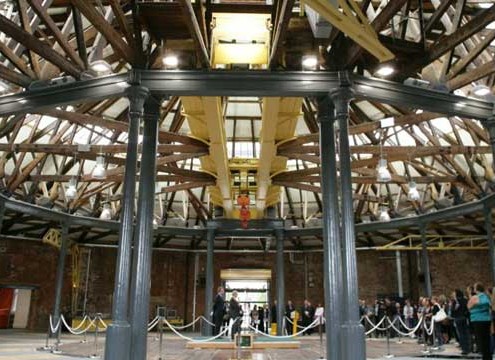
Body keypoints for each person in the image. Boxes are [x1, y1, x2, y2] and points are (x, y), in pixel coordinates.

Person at [468, 283, 492, 360]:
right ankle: (488, 357)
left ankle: (485, 357)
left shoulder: (475, 297)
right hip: (486, 320)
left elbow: (468, 306)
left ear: (476, 289)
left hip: (478, 320)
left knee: (481, 340)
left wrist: (474, 303)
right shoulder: (486, 296)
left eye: (474, 287)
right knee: (486, 340)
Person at [451, 289, 470, 356]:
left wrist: (455, 309)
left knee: (461, 334)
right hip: (463, 318)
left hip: (459, 318)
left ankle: (464, 349)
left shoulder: (455, 301)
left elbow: (452, 312)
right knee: (465, 333)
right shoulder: (465, 300)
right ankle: (467, 348)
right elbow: (468, 309)